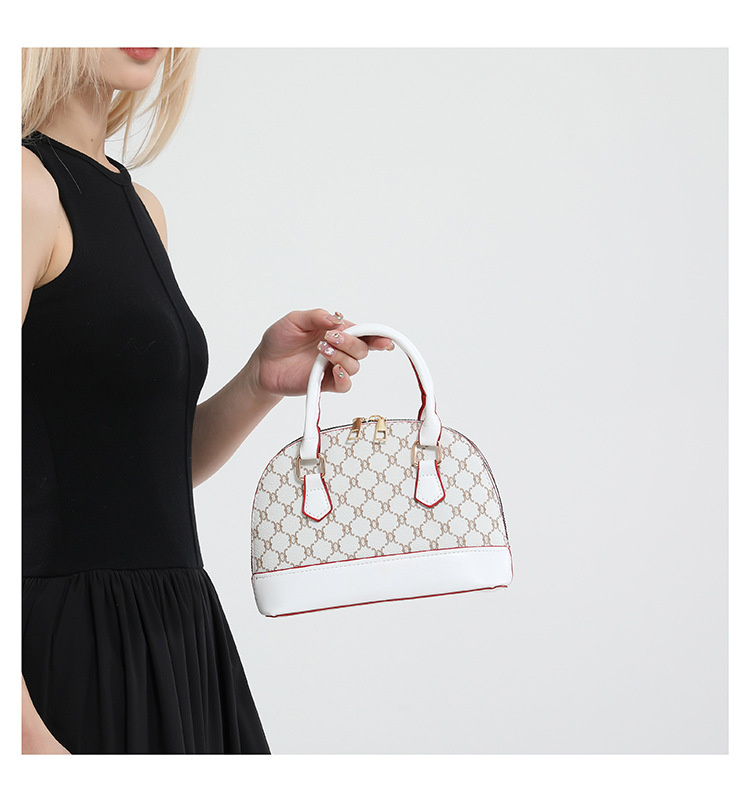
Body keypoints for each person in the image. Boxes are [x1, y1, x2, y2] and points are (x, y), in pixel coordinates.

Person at [21, 47, 394, 754]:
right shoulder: (23, 189)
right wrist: (25, 737)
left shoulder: (140, 206)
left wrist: (259, 381)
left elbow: (138, 472)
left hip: (172, 630)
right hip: (70, 648)